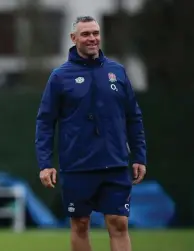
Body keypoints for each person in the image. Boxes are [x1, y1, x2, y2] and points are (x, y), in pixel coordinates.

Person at [35, 16, 147, 251]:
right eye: (86, 34)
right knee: (80, 223)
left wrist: (139, 156)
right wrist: (45, 163)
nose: (92, 38)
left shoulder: (117, 72)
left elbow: (133, 117)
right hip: (77, 165)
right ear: (73, 38)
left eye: (95, 33)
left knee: (118, 223)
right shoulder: (59, 77)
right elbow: (45, 122)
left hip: (114, 163)